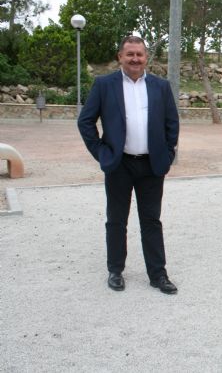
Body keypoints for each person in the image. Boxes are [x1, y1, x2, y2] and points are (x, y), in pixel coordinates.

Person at [78, 35, 179, 295]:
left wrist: (167, 155)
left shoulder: (161, 87)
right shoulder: (104, 85)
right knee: (116, 220)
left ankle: (158, 274)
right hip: (119, 164)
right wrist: (102, 153)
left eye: (139, 54)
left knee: (151, 221)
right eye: (130, 54)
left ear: (146, 57)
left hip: (151, 165)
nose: (135, 59)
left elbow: (172, 124)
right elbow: (85, 121)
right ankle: (115, 270)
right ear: (120, 57)